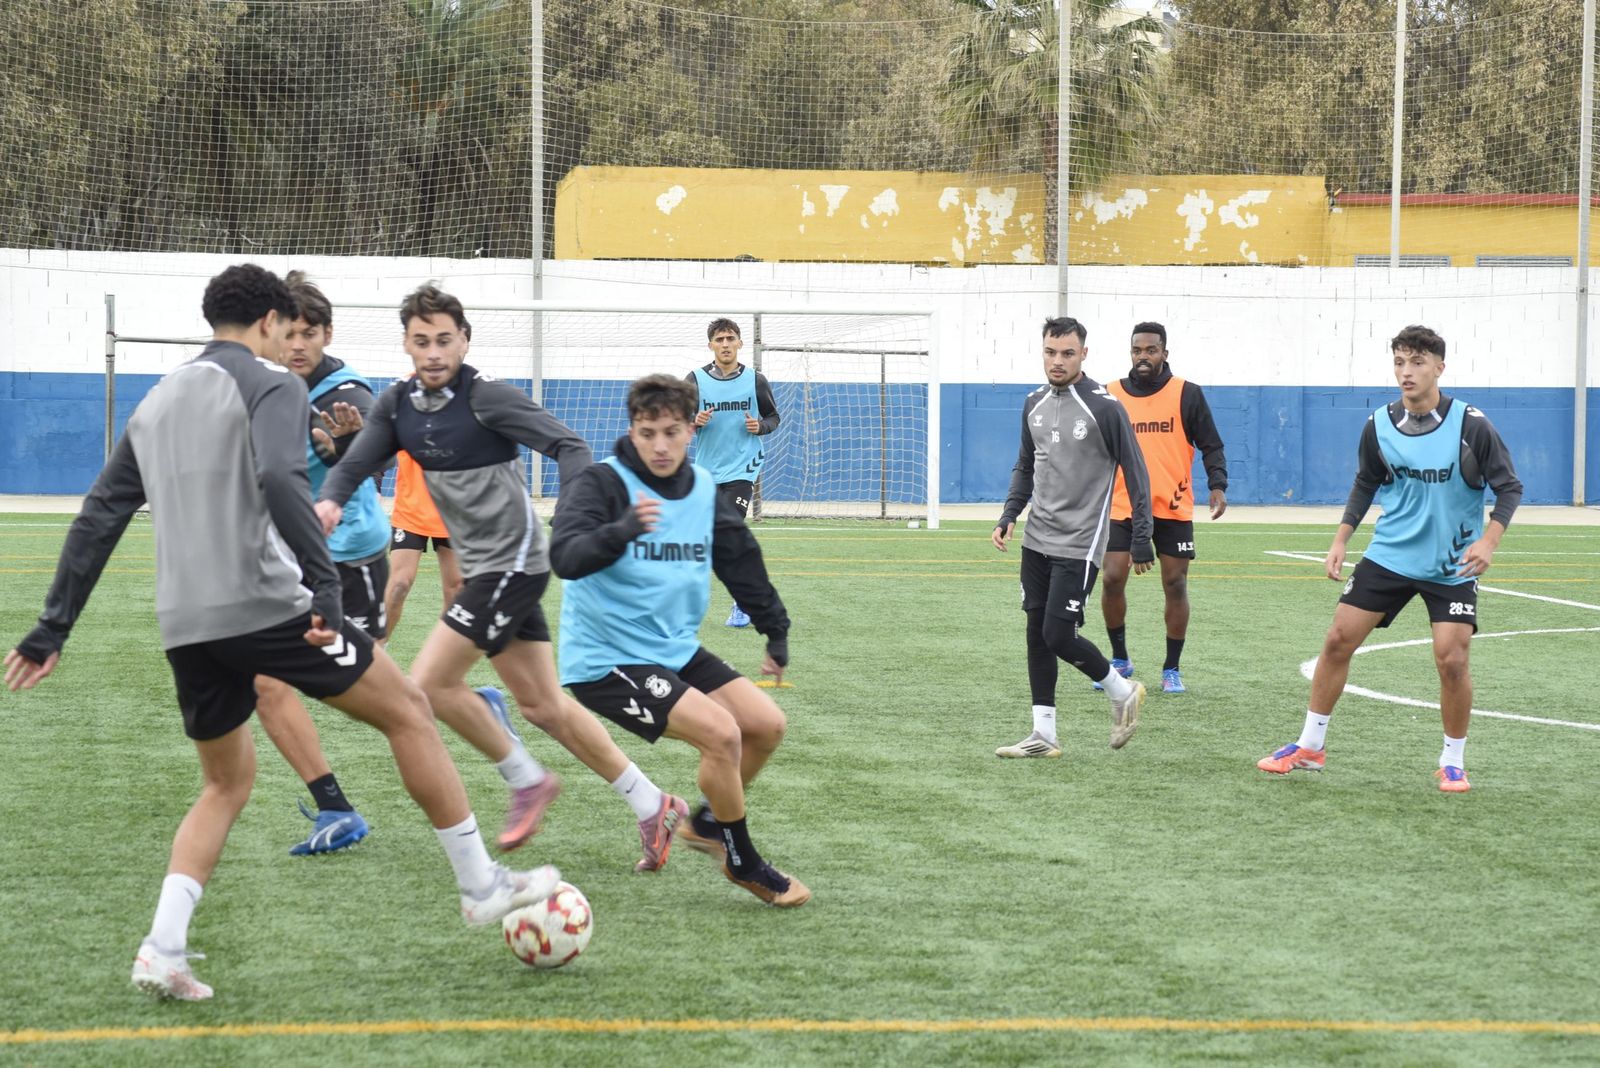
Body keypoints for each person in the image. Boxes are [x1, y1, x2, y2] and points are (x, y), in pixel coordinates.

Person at [2, 265, 558, 1002]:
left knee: (225, 783)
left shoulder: (158, 400)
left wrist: (50, 629)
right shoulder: (272, 385)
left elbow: (100, 513)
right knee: (410, 710)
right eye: (284, 326)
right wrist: (323, 585)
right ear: (269, 321)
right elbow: (278, 476)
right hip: (268, 608)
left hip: (186, 624)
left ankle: (162, 947)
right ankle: (480, 883)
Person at [317, 284, 687, 871]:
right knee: (543, 707)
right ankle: (653, 804)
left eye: (444, 340)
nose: (434, 352)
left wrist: (574, 513)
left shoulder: (489, 398)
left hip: (513, 565)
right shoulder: (397, 405)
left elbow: (570, 446)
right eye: (421, 341)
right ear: (407, 346)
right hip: (489, 572)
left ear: (464, 340)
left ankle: (526, 778)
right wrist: (331, 500)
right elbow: (358, 462)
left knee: (430, 686)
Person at [549, 373, 808, 907]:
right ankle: (743, 861)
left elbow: (740, 561)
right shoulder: (604, 483)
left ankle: (708, 824)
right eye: (648, 433)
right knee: (722, 734)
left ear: (692, 429)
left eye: (671, 432)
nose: (660, 445)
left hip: (672, 649)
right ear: (632, 430)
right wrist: (621, 531)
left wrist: (774, 629)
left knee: (764, 725)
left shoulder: (703, 490)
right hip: (606, 659)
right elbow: (565, 558)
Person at [1257, 325, 1522, 793]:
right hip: (1389, 555)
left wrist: (1489, 541)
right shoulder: (1378, 423)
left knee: (1452, 659)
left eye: (1417, 363)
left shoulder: (1471, 425)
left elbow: (1509, 487)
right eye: (1399, 362)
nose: (1406, 372)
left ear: (1440, 367)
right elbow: (1366, 482)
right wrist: (1341, 539)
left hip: (1451, 563)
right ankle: (1310, 746)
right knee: (1338, 639)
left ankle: (1453, 761)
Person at [249, 270, 383, 856]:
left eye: (310, 332)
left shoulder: (344, 392)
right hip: (298, 558)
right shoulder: (274, 386)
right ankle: (334, 808)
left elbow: (367, 443)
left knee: (376, 695)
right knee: (266, 683)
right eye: (290, 332)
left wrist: (348, 445)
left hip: (347, 560)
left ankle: (465, 707)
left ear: (327, 335)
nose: (299, 343)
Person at [991, 316, 1154, 758]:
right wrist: (1010, 514)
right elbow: (1026, 465)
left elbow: (1136, 473)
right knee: (1035, 633)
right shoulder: (1034, 404)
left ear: (1084, 354)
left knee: (1059, 635)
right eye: (1050, 352)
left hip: (1080, 543)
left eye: (1067, 353)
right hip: (1036, 538)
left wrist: (1142, 536)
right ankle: (1043, 736)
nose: (1057, 361)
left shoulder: (1105, 408)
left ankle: (1121, 691)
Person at [1098, 321, 1228, 696]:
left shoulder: (1186, 393)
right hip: (1122, 504)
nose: (1143, 356)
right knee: (1111, 577)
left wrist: (1217, 485)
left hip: (1172, 505)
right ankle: (1119, 658)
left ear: (1164, 353)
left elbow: (1211, 444)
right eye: (1137, 350)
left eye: (1151, 350)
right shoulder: (1110, 394)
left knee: (1175, 583)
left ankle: (1172, 668)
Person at [685, 317, 781, 629]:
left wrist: (760, 427)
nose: (725, 344)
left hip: (743, 468)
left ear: (740, 343)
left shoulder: (756, 380)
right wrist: (693, 420)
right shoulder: (695, 380)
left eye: (730, 339)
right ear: (710, 345)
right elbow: (677, 419)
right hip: (707, 471)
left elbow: (773, 416)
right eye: (719, 340)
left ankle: (742, 603)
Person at [383, 447, 463, 645]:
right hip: (410, 512)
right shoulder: (404, 416)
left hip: (455, 513)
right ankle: (377, 649)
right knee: (398, 585)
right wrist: (375, 484)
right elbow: (377, 448)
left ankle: (441, 660)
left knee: (456, 591)